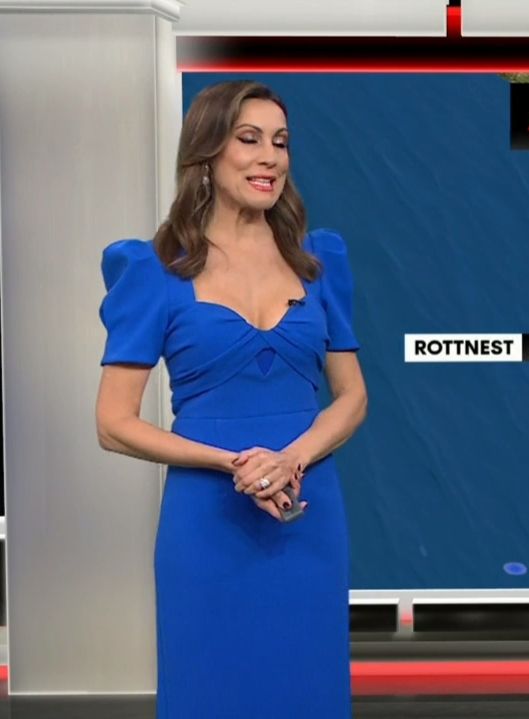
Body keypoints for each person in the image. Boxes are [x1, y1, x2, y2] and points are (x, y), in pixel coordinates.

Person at [96, 79, 368, 718]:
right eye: (248, 140)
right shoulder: (157, 270)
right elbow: (113, 423)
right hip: (207, 520)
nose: (269, 157)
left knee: (307, 684)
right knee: (210, 686)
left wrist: (292, 458)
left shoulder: (316, 262)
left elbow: (352, 396)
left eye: (280, 142)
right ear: (207, 153)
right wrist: (233, 463)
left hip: (306, 510)